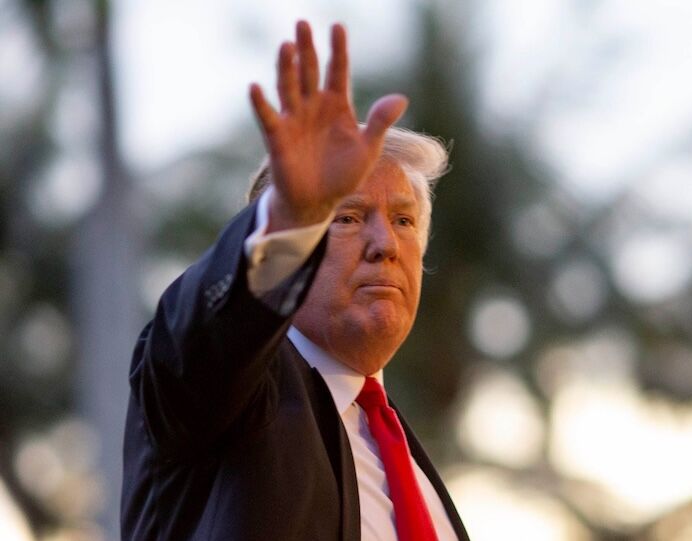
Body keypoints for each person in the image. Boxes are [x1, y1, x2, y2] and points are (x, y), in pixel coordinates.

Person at [120, 20, 470, 541]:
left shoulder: (404, 459)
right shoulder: (230, 393)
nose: (385, 245)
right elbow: (208, 334)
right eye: (347, 217)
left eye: (403, 221)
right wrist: (290, 216)